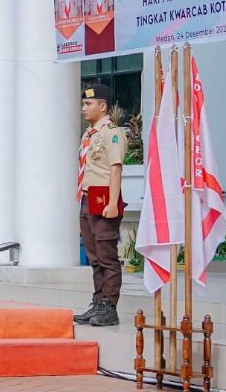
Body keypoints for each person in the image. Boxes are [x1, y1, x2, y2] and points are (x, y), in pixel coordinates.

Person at [74, 84, 127, 327]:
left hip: (105, 198)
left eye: (89, 104)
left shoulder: (111, 133)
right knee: (94, 256)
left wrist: (113, 203)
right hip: (88, 197)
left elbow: (115, 169)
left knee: (107, 256)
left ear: (102, 106)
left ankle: (109, 306)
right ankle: (98, 302)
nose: (84, 108)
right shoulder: (89, 134)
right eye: (83, 104)